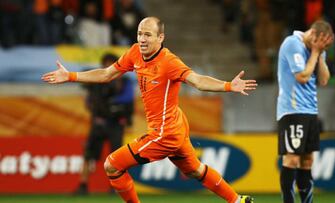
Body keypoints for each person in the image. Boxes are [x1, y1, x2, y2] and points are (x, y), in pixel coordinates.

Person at [42, 16, 257, 203]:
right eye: (139, 34)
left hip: (165, 133)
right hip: (175, 124)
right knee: (195, 170)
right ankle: (237, 200)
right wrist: (70, 76)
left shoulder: (169, 62)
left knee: (112, 165)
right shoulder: (135, 52)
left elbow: (198, 81)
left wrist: (228, 85)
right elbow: (107, 74)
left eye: (148, 35)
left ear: (160, 38)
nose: (142, 39)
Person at [276, 20, 334, 203]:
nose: (318, 47)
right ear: (313, 34)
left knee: (307, 160)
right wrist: (316, 52)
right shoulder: (292, 43)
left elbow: (324, 80)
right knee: (291, 159)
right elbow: (302, 76)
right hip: (292, 110)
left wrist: (321, 53)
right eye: (319, 43)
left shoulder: (317, 49)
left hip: (310, 110)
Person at [74, 53, 135, 195]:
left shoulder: (124, 81)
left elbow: (128, 100)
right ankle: (83, 185)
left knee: (117, 158)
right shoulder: (95, 83)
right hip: (99, 123)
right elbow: (88, 102)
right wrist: (99, 109)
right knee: (88, 155)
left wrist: (115, 108)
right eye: (105, 63)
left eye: (111, 63)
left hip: (115, 124)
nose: (108, 66)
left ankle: (116, 187)